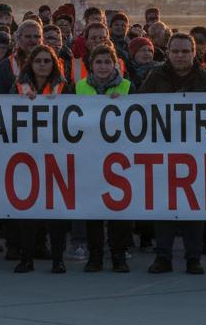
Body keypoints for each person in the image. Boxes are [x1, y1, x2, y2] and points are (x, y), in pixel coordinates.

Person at [137, 33, 206, 274]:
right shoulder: (155, 77)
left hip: (196, 154)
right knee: (164, 207)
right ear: (168, 52)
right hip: (163, 153)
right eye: (175, 51)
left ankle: (193, 258)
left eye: (185, 51)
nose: (180, 56)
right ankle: (162, 257)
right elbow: (139, 108)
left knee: (193, 208)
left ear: (194, 53)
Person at [12, 45, 72, 273]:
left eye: (47, 61)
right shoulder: (17, 87)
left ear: (54, 63)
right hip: (27, 156)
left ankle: (58, 259)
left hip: (58, 156)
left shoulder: (65, 87)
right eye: (38, 61)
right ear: (31, 63)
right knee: (28, 212)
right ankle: (26, 258)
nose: (43, 65)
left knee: (57, 212)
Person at [76, 44, 132, 272]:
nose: (103, 66)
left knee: (119, 208)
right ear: (91, 65)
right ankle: (95, 256)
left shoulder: (127, 87)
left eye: (107, 62)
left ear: (115, 64)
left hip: (119, 156)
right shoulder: (79, 87)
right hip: (90, 155)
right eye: (98, 62)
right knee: (94, 209)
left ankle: (119, 256)